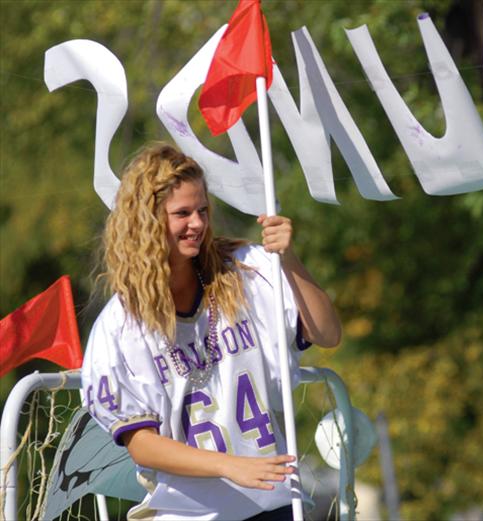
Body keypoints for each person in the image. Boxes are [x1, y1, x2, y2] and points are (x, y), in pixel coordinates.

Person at [81, 143, 341, 521]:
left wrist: (288, 258)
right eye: (182, 213)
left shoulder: (247, 271)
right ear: (146, 221)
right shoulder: (120, 324)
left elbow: (328, 333)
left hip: (271, 499)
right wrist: (228, 466)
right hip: (189, 512)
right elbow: (143, 445)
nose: (198, 223)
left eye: (202, 210)